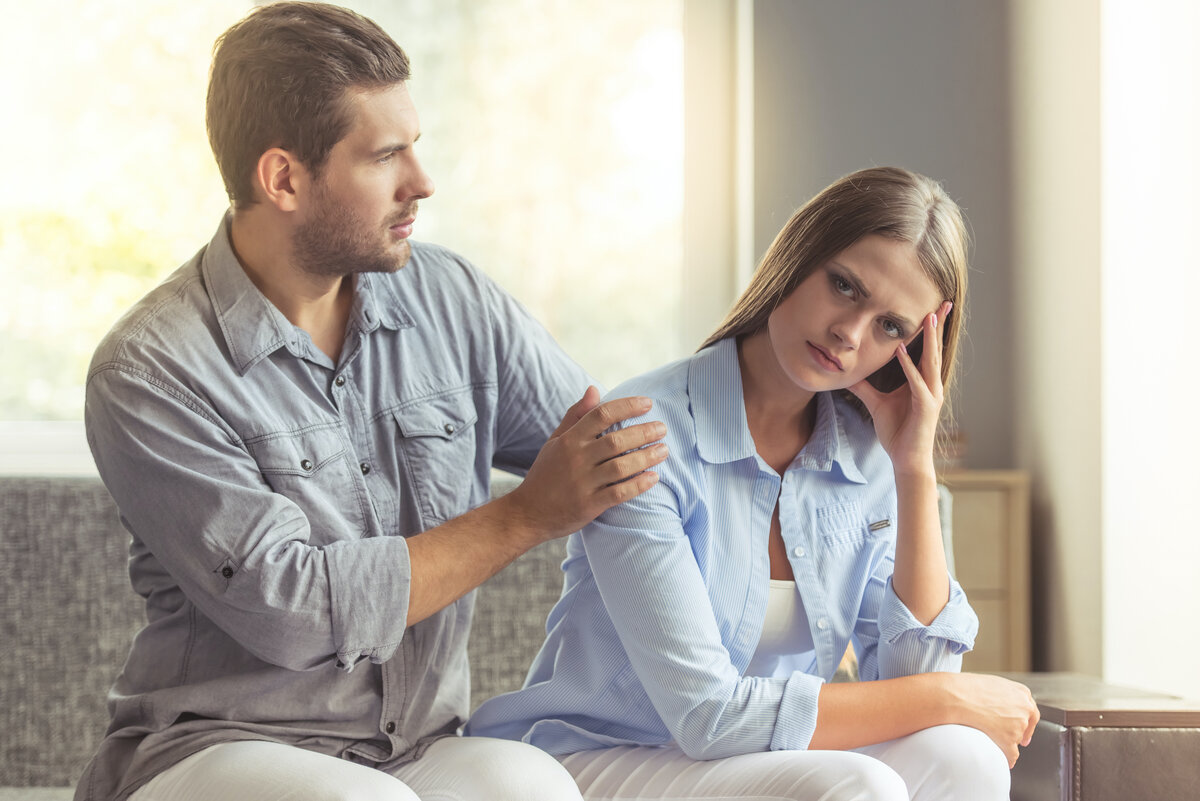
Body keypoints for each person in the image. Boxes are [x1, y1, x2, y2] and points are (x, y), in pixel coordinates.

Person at [74, 4, 668, 801]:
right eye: (386, 155)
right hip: (214, 747)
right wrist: (527, 513)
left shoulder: (452, 299)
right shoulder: (153, 369)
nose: (421, 182)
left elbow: (611, 452)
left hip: (413, 745)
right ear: (283, 177)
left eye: (414, 145)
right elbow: (296, 610)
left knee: (534, 785)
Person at [467, 167, 1041, 800]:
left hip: (756, 760)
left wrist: (913, 469)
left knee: (966, 759)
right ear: (798, 257)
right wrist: (947, 694)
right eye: (845, 286)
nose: (849, 334)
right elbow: (705, 715)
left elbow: (916, 676)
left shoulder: (868, 457)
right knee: (860, 785)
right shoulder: (643, 435)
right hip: (602, 755)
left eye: (891, 327)